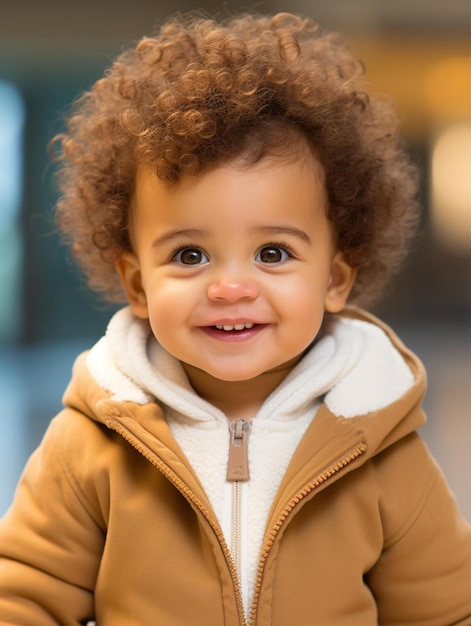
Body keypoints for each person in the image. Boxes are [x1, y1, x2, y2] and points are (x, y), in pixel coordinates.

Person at [0, 10, 470, 625]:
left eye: (272, 253)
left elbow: (445, 612)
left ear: (334, 278)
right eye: (189, 255)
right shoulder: (92, 446)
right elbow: (23, 598)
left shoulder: (378, 447)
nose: (229, 287)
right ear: (138, 283)